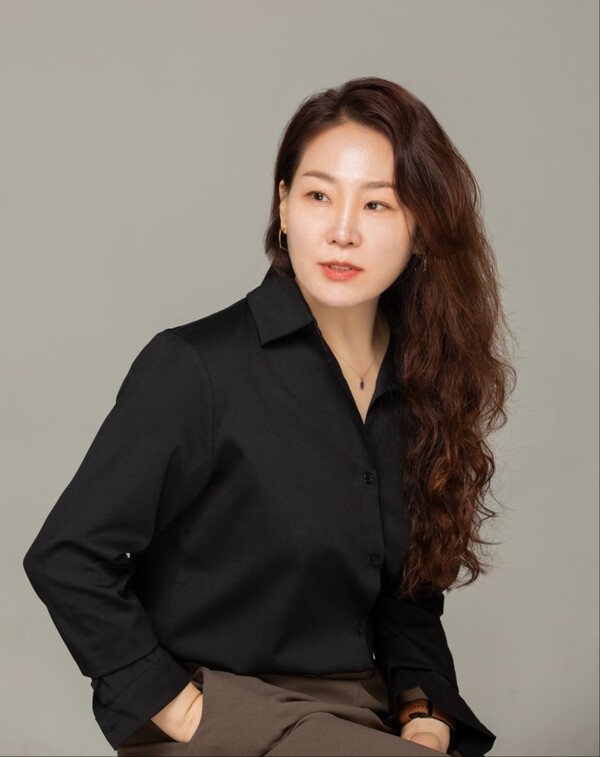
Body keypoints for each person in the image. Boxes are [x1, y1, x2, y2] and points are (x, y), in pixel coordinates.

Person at [24, 77, 514, 756]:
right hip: (222, 710)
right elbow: (66, 556)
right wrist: (186, 712)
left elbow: (407, 597)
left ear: (420, 227)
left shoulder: (422, 385)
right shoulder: (197, 368)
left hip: (357, 713)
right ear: (283, 206)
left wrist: (424, 713)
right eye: (318, 195)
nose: (342, 231)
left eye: (377, 203)